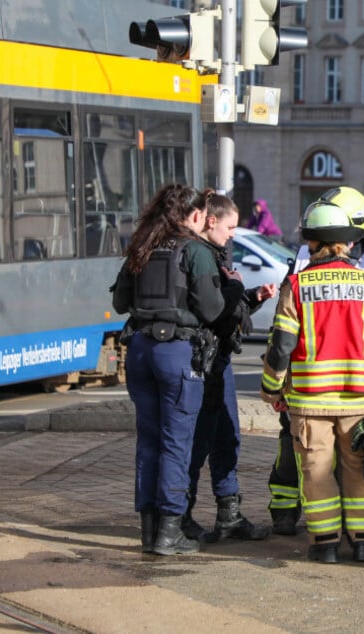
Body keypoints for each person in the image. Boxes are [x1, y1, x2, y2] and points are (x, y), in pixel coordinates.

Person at [261, 202, 364, 564]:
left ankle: (325, 546)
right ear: (346, 242)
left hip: (310, 401)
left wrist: (272, 389)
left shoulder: (298, 285)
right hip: (358, 401)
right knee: (359, 470)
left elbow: (281, 347)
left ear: (311, 242)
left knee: (316, 471)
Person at [111, 183, 227, 556]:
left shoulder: (141, 246)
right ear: (195, 215)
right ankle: (169, 532)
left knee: (148, 442)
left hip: (140, 350)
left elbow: (119, 302)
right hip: (176, 353)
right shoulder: (195, 251)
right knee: (177, 443)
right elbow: (212, 310)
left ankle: (149, 530)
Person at [181, 191, 274, 543]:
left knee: (226, 438)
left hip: (217, 361)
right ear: (210, 220)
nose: (234, 233)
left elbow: (224, 306)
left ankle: (229, 514)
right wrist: (237, 288)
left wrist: (250, 296)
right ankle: (183, 515)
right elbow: (215, 311)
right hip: (203, 363)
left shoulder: (213, 255)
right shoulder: (199, 256)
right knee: (198, 442)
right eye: (230, 226)